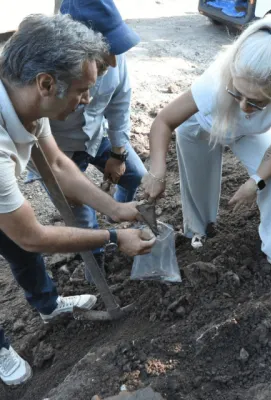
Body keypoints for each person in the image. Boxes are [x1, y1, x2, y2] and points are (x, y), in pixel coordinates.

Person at [0, 14, 155, 386]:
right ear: (47, 83)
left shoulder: (27, 97)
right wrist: (115, 238)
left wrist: (115, 209)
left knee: (16, 244)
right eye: (82, 90)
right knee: (22, 238)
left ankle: (49, 305)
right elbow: (34, 236)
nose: (87, 100)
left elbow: (57, 164)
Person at [141, 15, 271, 273]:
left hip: (248, 132)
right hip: (202, 126)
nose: (243, 106)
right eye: (237, 94)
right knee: (199, 181)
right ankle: (199, 229)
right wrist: (157, 172)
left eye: (256, 102)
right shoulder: (213, 85)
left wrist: (255, 182)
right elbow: (164, 121)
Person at [26, 0, 147, 284]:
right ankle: (97, 277)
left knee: (135, 174)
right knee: (85, 223)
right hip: (60, 149)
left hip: (95, 137)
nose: (114, 61)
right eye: (106, 50)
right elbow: (54, 163)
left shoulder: (115, 60)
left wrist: (118, 153)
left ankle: (118, 219)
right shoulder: (41, 85)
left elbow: (120, 103)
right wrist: (61, 184)